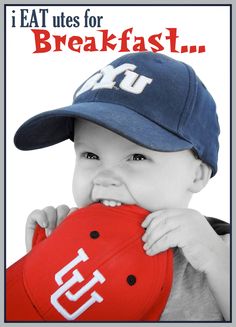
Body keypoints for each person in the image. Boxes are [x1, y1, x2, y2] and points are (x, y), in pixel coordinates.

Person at [14, 52, 230, 321]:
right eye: (90, 156)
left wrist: (219, 262)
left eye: (137, 157)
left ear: (197, 176)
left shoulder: (221, 251)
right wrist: (43, 265)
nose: (105, 178)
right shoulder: (74, 243)